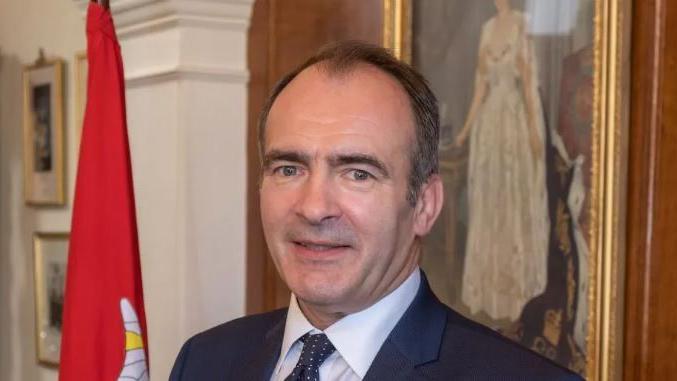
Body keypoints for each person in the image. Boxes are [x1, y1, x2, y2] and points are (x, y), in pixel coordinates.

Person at [169, 41, 582, 380]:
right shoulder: (204, 362)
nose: (314, 208)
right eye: (289, 168)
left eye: (358, 174)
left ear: (424, 204)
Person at [453, 0, 550, 322]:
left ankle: (516, 291)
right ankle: (490, 289)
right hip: (489, 128)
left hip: (514, 125)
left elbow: (528, 80)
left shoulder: (522, 24)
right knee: (491, 201)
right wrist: (465, 131)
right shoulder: (487, 29)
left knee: (513, 198)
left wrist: (537, 131)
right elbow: (480, 87)